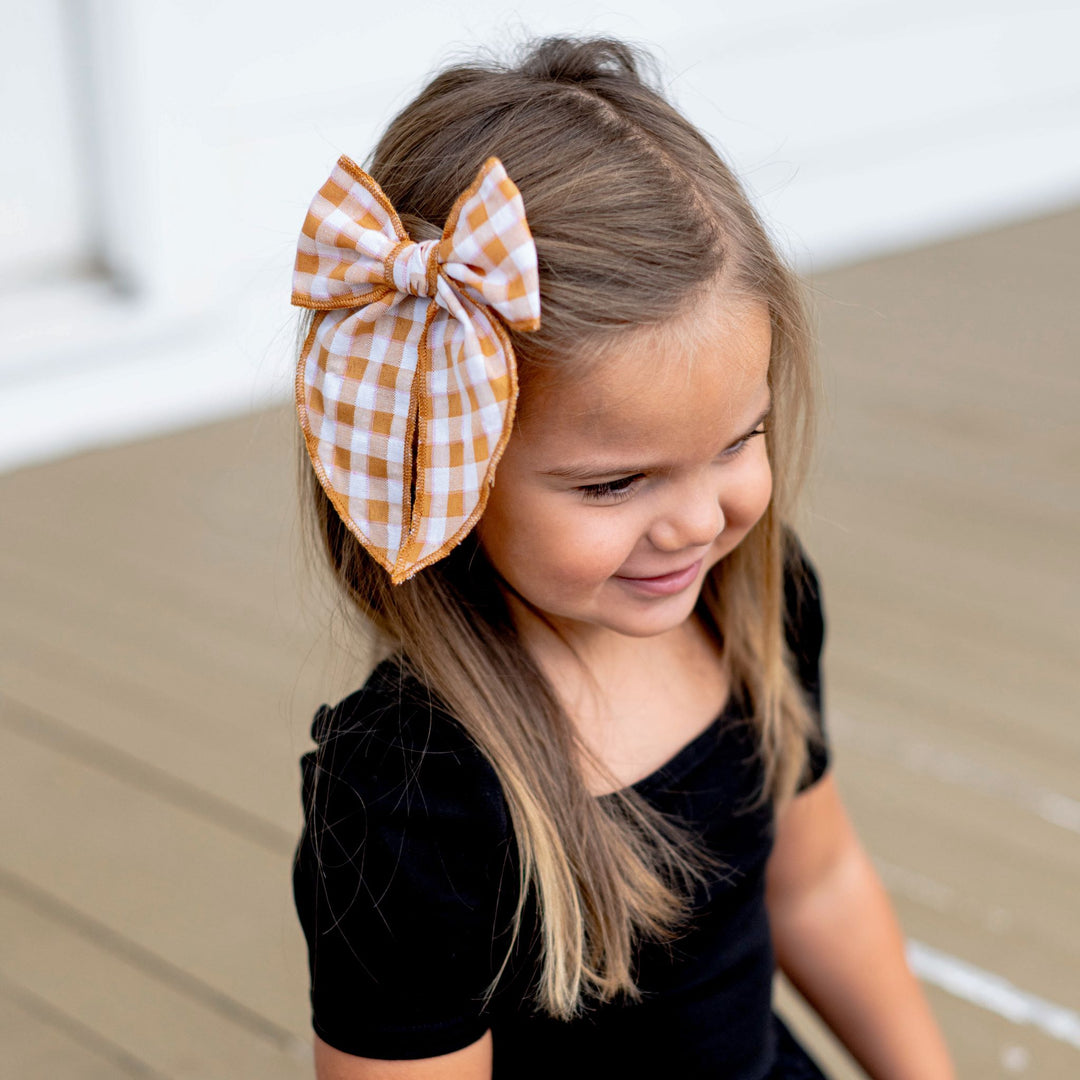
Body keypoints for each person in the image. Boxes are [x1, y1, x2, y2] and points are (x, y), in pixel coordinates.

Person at [288, 36, 955, 1080]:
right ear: (446, 468)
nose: (697, 524)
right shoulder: (417, 795)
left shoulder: (756, 604)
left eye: (739, 441)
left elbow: (816, 886)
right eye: (615, 484)